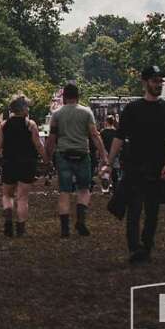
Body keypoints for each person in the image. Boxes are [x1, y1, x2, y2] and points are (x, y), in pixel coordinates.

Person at [105, 64, 165, 264]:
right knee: (134, 209)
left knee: (153, 211)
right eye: (155, 81)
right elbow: (119, 137)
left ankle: (146, 246)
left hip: (157, 166)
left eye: (161, 81)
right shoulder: (132, 109)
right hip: (134, 166)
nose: (159, 85)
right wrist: (108, 162)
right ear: (145, 82)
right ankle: (134, 248)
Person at [45, 83, 107, 238]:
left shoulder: (57, 114)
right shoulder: (86, 112)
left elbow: (52, 138)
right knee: (84, 189)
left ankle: (65, 229)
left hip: (63, 154)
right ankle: (81, 220)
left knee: (64, 191)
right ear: (78, 96)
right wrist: (104, 155)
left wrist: (47, 156)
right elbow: (94, 135)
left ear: (64, 97)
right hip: (82, 154)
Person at [0, 96, 40, 237]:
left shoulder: (4, 125)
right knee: (23, 198)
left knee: (7, 194)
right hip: (27, 163)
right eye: (27, 106)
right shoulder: (31, 125)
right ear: (23, 109)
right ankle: (21, 228)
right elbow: (38, 144)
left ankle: (8, 214)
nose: (28, 109)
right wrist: (46, 158)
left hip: (9, 162)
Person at [99, 115, 121, 189]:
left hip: (105, 154)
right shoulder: (116, 132)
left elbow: (100, 143)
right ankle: (115, 188)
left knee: (105, 172)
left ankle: (105, 188)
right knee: (115, 171)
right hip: (115, 154)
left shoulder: (102, 132)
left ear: (106, 122)